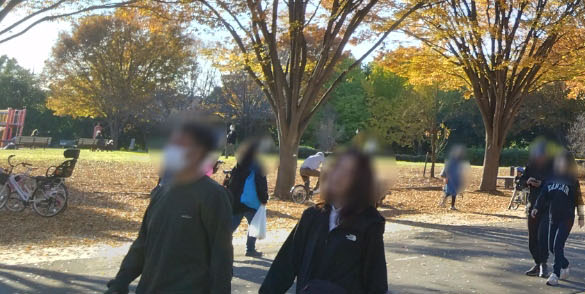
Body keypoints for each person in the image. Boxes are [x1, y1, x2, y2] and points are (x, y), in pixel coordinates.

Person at [106, 122, 233, 294]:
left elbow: (222, 255)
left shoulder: (213, 195)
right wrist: (120, 283)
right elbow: (142, 244)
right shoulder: (162, 191)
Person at [260, 148, 387, 294]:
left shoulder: (370, 223)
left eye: (347, 172)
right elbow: (285, 264)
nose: (337, 176)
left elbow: (376, 281)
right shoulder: (312, 216)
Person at [531, 153, 585, 286]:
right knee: (552, 248)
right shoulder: (551, 179)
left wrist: (581, 216)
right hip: (553, 218)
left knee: (557, 245)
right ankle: (565, 265)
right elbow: (543, 195)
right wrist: (536, 207)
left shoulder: (572, 181)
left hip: (567, 218)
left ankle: (555, 274)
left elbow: (579, 199)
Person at [225, 137, 270, 257]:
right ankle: (250, 249)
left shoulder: (239, 165)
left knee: (230, 227)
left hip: (237, 201)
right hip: (253, 202)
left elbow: (232, 183)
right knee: (253, 226)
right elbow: (261, 184)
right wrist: (264, 198)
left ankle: (221, 247)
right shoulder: (258, 165)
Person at [519, 141, 553, 276]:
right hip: (532, 205)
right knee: (532, 238)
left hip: (546, 207)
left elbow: (556, 182)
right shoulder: (531, 166)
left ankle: (544, 264)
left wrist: (542, 184)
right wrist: (527, 182)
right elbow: (520, 182)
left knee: (542, 236)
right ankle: (537, 263)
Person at [439, 146, 466, 210]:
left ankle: (447, 204)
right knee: (450, 192)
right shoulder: (450, 161)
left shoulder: (458, 161)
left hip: (456, 179)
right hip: (451, 179)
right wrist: (446, 178)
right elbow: (447, 169)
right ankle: (448, 205)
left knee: (451, 192)